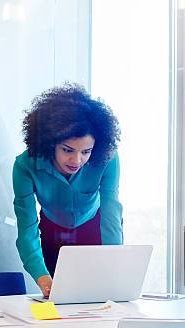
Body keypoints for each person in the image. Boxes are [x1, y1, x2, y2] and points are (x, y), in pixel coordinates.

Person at [13, 83, 123, 296]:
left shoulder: (108, 159)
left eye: (86, 151)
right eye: (67, 150)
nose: (77, 160)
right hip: (53, 232)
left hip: (95, 228)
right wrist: (41, 276)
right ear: (50, 142)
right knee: (55, 298)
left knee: (103, 296)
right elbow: (27, 230)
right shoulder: (24, 165)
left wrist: (115, 265)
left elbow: (111, 215)